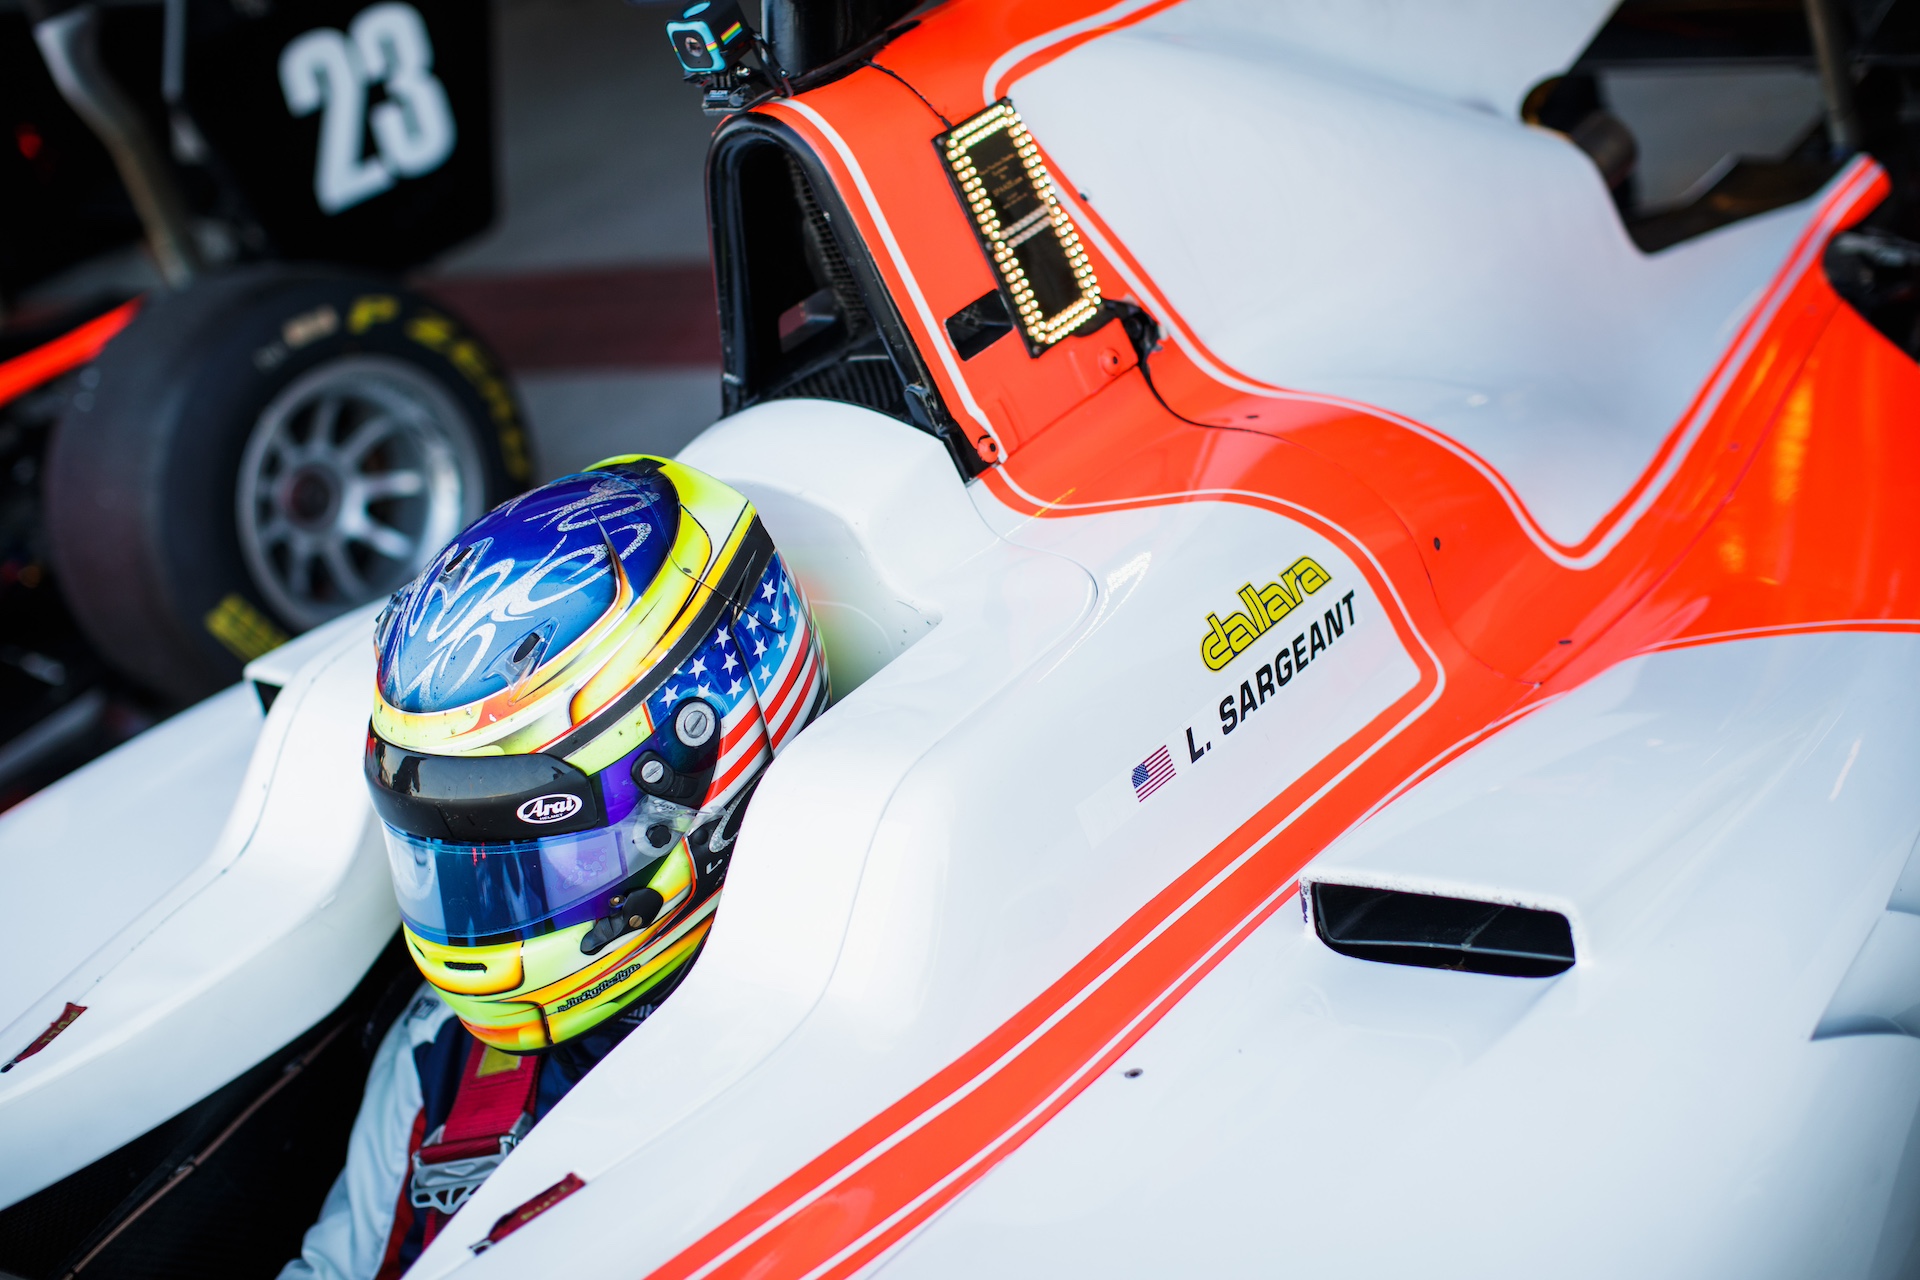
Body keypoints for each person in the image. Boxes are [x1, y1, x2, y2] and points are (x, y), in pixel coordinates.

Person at [280, 455, 829, 1279]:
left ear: (702, 785)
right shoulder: (440, 1053)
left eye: (544, 851)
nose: (480, 903)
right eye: (447, 851)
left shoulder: (838, 1055)